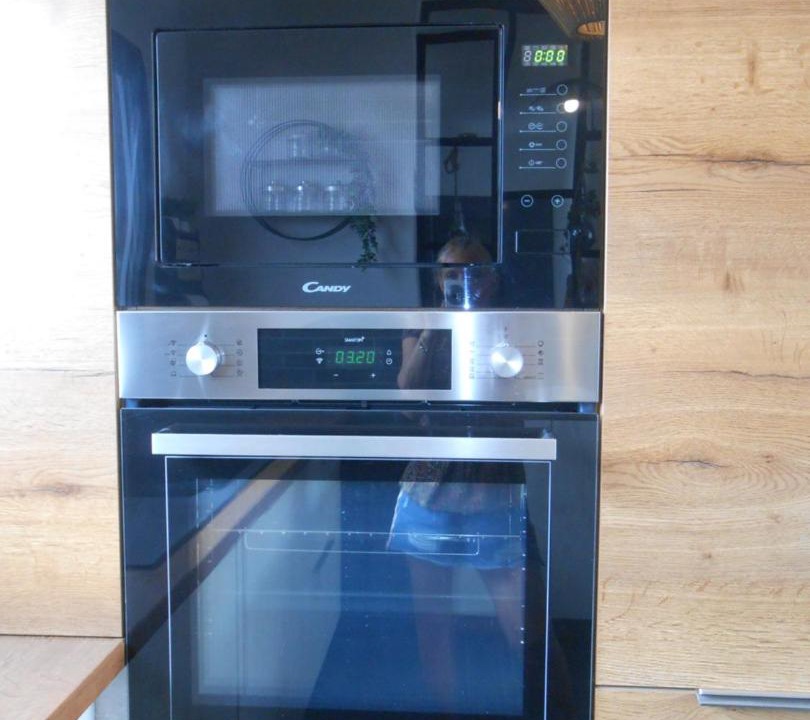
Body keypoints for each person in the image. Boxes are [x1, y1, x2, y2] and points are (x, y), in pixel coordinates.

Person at [389, 236, 525, 713]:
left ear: (492, 277)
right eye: (449, 272)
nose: (459, 280)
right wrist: (439, 324)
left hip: (492, 488)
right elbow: (408, 395)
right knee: (432, 621)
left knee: (521, 618)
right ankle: (443, 710)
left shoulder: (509, 323)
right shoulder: (423, 321)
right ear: (436, 278)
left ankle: (556, 702)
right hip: (428, 488)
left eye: (470, 271)